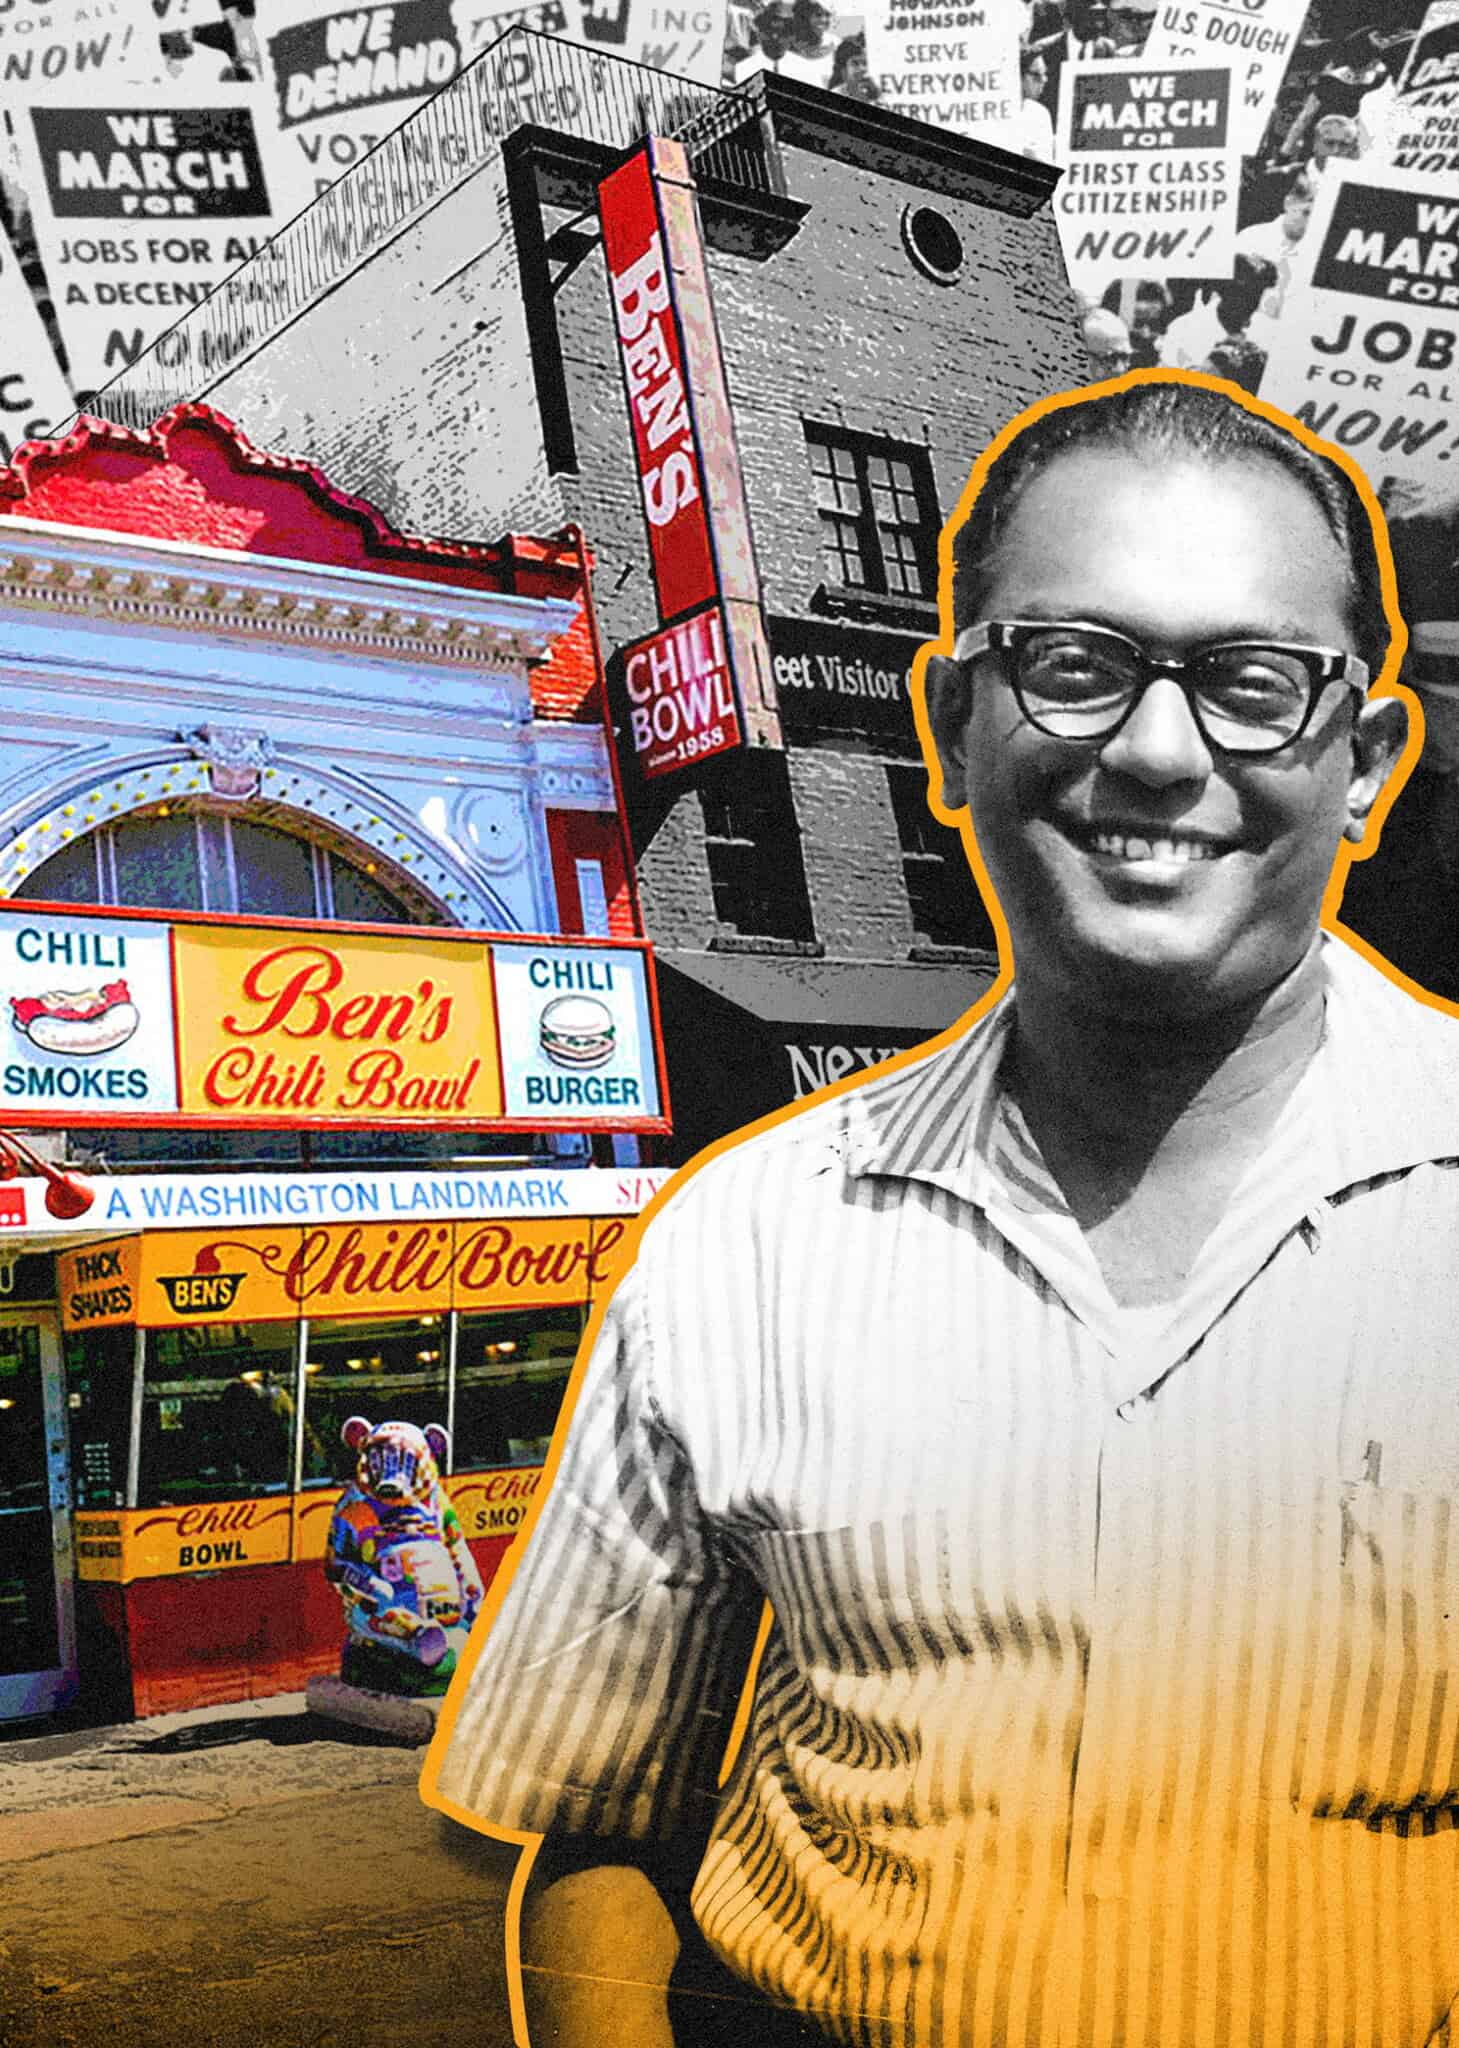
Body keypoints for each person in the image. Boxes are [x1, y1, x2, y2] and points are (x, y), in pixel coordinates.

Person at [427, 372, 1459, 2048]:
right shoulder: (740, 1245)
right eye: (1074, 664)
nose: (1156, 747)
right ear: (952, 734)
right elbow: (601, 1829)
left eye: (1255, 682)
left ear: (1369, 763)